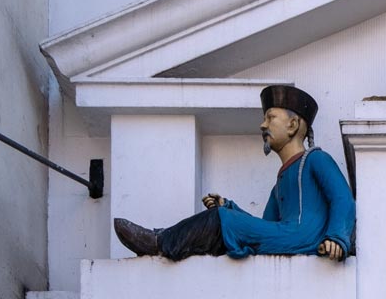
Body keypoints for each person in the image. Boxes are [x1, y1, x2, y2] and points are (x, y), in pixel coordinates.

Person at [114, 84, 355, 262]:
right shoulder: (280, 182)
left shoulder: (316, 160)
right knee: (225, 218)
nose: (263, 125)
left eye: (270, 118)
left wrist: (337, 238)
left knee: (222, 220)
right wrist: (231, 207)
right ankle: (170, 240)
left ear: (293, 125)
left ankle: (159, 242)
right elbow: (262, 226)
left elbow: (343, 199)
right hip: (286, 236)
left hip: (304, 237)